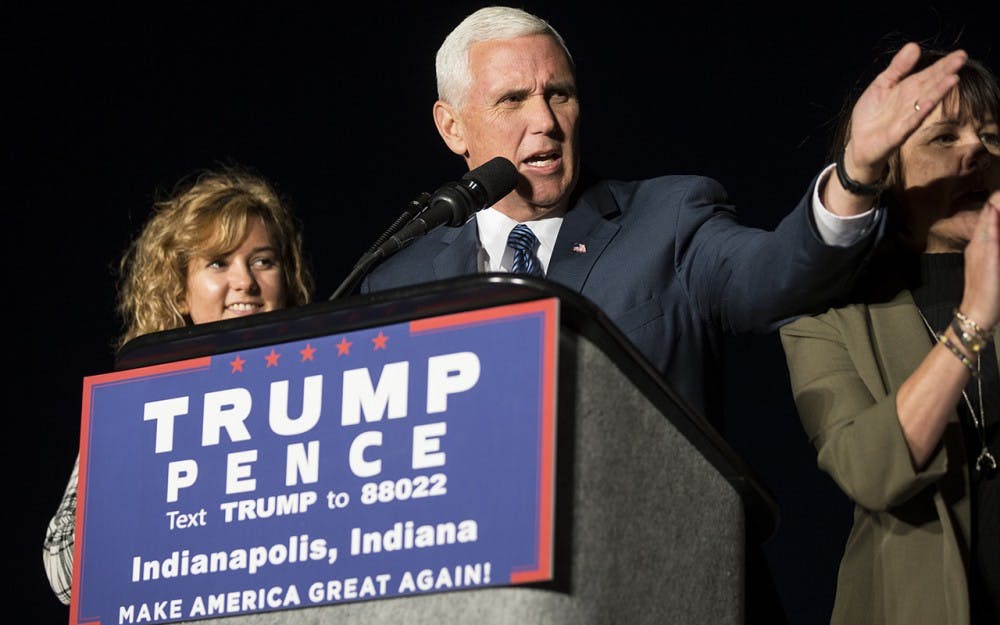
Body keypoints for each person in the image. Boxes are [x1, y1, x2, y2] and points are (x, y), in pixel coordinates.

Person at [360, 6, 968, 431]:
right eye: (512, 100)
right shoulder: (397, 283)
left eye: (560, 95)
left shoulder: (668, 221)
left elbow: (777, 276)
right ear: (452, 127)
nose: (544, 121)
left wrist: (855, 172)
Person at [780, 48, 999, 625]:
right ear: (889, 171)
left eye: (992, 137)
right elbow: (870, 469)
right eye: (944, 137)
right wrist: (973, 318)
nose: (976, 149)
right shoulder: (825, 315)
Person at [42, 166, 315, 605]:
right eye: (218, 263)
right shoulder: (137, 400)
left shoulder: (326, 385)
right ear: (180, 291)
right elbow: (64, 572)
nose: (244, 280)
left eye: (262, 261)